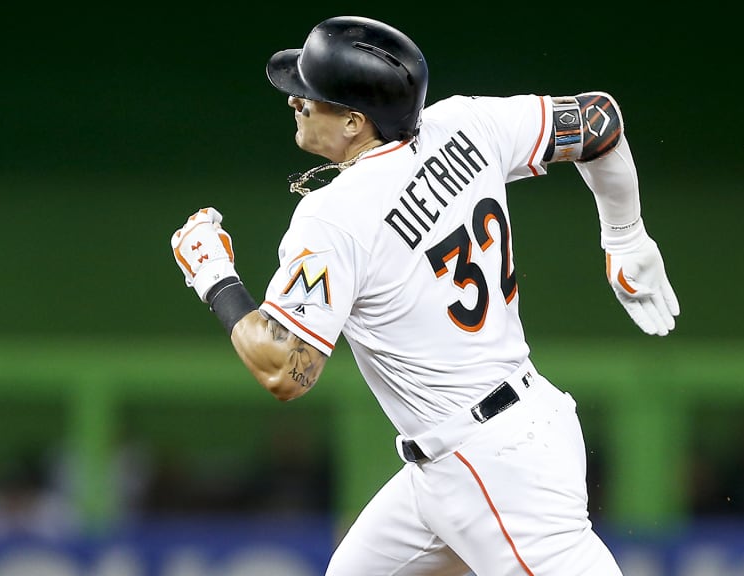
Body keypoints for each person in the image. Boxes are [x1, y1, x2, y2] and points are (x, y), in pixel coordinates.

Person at [170, 15, 679, 576]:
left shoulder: (333, 216)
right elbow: (598, 120)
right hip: (491, 436)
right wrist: (626, 234)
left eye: (310, 95)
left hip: (489, 462)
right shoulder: (466, 123)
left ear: (354, 121)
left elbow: (286, 371)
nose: (296, 101)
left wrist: (214, 274)